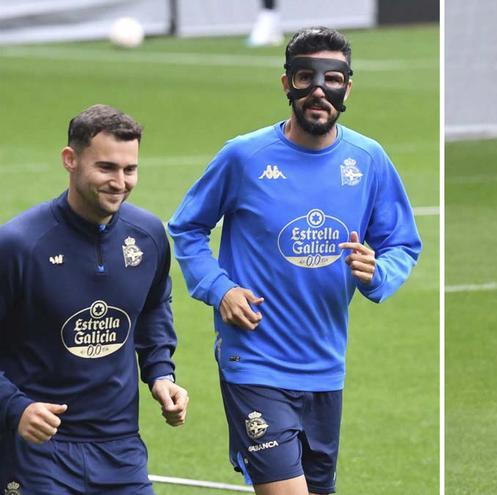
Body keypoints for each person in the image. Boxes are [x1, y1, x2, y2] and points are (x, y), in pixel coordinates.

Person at [168, 27, 421, 495]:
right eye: (306, 77)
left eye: (333, 79)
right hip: (254, 362)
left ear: (348, 86)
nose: (319, 91)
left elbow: (402, 244)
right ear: (287, 84)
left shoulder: (368, 160)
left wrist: (377, 272)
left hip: (326, 366)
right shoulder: (244, 156)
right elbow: (186, 227)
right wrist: (219, 288)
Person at [0, 104, 188, 494]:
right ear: (70, 160)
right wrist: (16, 407)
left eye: (129, 169)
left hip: (120, 449)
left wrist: (160, 373)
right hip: (37, 451)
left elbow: (153, 308)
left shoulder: (149, 236)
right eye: (106, 168)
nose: (119, 182)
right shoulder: (19, 246)